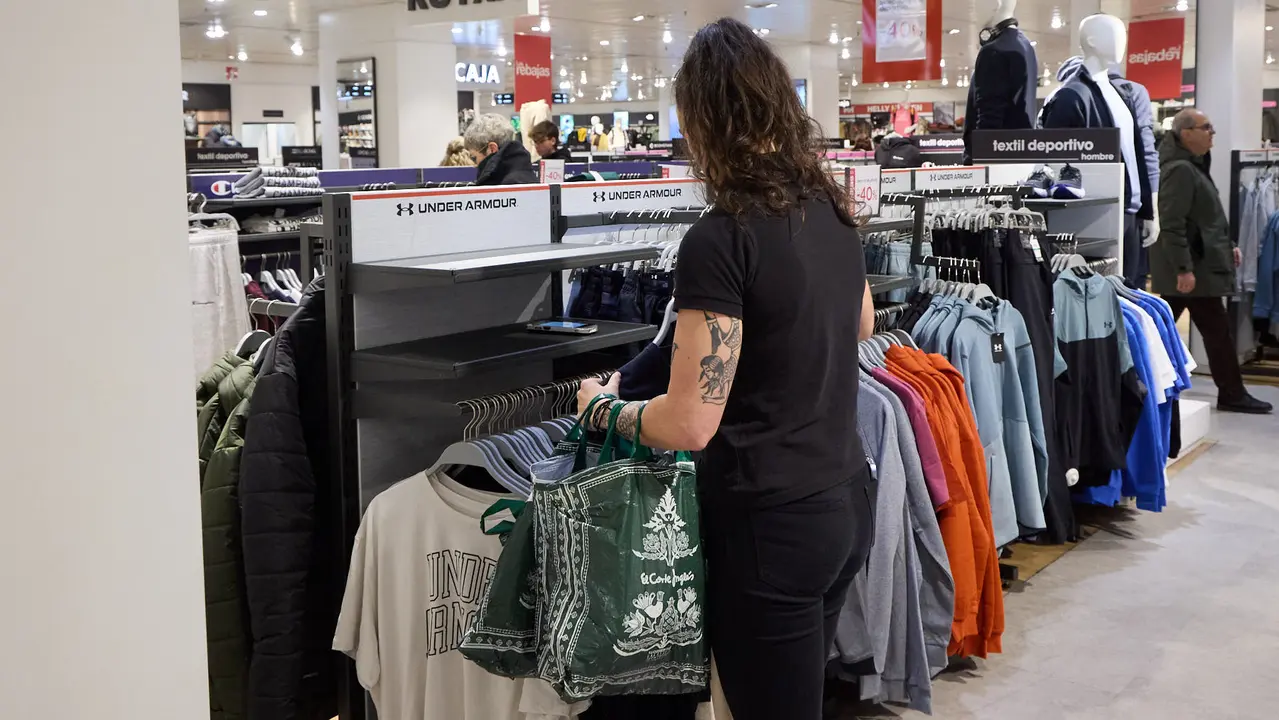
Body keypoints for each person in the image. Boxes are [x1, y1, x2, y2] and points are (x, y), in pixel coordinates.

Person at [575, 17, 878, 720]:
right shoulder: (827, 207)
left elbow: (687, 423)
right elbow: (859, 322)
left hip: (769, 521)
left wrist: (601, 408)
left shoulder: (721, 237)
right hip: (843, 498)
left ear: (702, 119)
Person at [1151, 109, 1273, 414]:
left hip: (1198, 267)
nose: (1212, 133)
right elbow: (1173, 222)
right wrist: (1184, 268)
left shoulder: (1192, 166)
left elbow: (1205, 220)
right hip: (1193, 271)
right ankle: (1231, 393)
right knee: (1213, 334)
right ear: (1185, 132)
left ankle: (1150, 383)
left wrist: (1226, 246)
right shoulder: (1181, 169)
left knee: (1171, 330)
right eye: (1206, 128)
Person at [463, 113, 538, 186]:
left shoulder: (508, 184)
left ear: (492, 149)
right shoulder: (521, 173)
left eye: (474, 158)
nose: (474, 164)